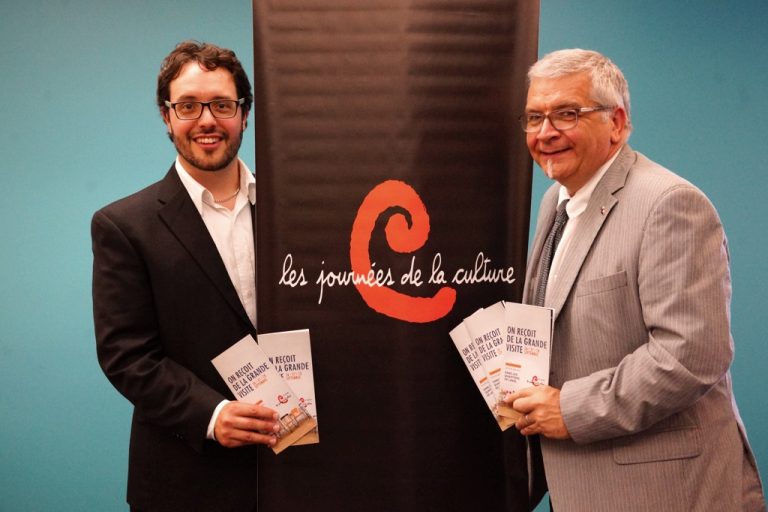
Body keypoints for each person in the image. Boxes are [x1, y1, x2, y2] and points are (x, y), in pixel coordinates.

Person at [505, 48, 765, 511]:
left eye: (567, 113)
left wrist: (569, 408)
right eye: (534, 117)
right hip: (587, 487)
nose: (546, 133)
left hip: (668, 494)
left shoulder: (669, 204)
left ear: (617, 122)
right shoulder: (555, 203)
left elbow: (691, 356)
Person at [92, 41, 278, 512]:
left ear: (245, 113)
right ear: (166, 116)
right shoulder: (123, 226)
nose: (207, 120)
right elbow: (127, 355)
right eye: (189, 106)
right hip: (187, 481)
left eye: (222, 104)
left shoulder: (295, 208)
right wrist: (212, 415)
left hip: (299, 470)